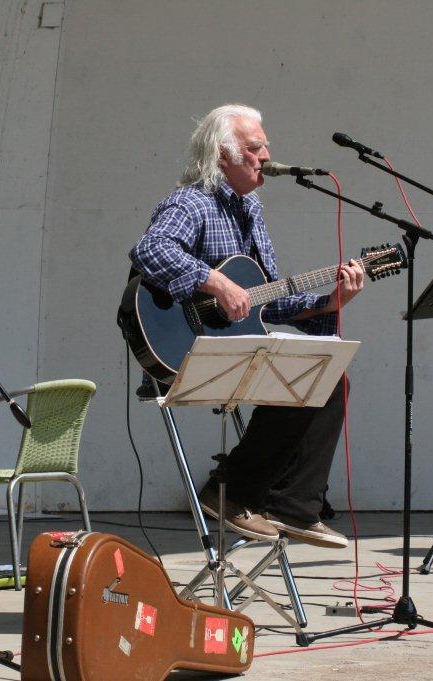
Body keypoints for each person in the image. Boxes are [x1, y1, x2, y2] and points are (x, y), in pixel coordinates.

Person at [129, 104, 364, 548]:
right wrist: (215, 283)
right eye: (255, 148)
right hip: (181, 350)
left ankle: (293, 506)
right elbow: (150, 249)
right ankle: (233, 492)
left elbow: (264, 302)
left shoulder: (250, 209)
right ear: (223, 155)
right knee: (300, 370)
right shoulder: (190, 202)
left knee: (326, 371)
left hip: (236, 347)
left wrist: (330, 300)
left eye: (266, 147)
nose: (266, 156)